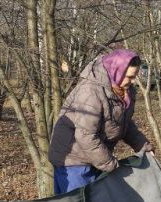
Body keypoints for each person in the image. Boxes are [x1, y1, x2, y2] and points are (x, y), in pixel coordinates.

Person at [48, 48, 153, 194]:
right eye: (129, 76)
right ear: (117, 71)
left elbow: (124, 124)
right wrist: (109, 163)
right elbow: (85, 135)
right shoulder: (91, 91)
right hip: (73, 159)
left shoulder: (124, 91)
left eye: (135, 76)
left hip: (94, 156)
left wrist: (143, 146)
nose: (133, 81)